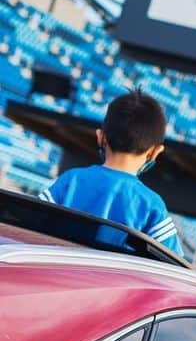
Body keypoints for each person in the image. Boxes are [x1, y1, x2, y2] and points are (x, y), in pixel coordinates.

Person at [39, 90, 183, 255]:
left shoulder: (71, 180)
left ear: (101, 137)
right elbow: (174, 264)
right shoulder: (152, 205)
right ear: (155, 152)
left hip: (59, 274)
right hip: (110, 280)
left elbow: (30, 220)